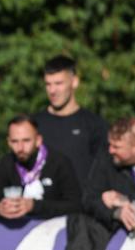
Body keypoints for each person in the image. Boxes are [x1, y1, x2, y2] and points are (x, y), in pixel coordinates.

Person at [0, 115, 81, 220]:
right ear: (8, 142)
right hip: (17, 233)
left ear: (38, 140)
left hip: (55, 232)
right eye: (15, 141)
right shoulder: (6, 164)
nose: (20, 148)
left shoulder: (59, 163)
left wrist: (34, 206)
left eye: (26, 140)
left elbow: (75, 205)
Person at [32, 55, 108, 189]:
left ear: (74, 82)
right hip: (43, 205)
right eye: (48, 84)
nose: (52, 90)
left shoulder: (94, 125)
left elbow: (105, 171)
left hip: (82, 207)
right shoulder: (35, 124)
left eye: (58, 83)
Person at [83, 116, 135, 232]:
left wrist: (125, 201)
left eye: (117, 147)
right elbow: (89, 200)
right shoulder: (106, 159)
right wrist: (116, 213)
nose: (111, 150)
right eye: (110, 144)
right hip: (114, 236)